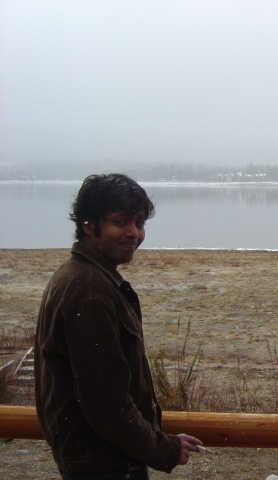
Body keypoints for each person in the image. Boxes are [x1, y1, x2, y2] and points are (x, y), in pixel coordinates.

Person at [34, 174, 203, 480]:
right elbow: (105, 403)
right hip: (106, 463)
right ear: (88, 224)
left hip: (96, 455)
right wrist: (162, 448)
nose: (133, 233)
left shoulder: (81, 276)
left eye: (139, 223)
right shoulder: (88, 291)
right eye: (121, 221)